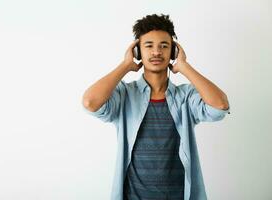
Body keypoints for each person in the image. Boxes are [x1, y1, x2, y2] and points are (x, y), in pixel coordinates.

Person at [82, 13, 230, 200]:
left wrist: (184, 66)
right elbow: (90, 102)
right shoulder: (125, 94)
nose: (156, 52)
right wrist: (125, 65)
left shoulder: (185, 96)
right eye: (149, 46)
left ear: (173, 52)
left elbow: (220, 106)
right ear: (137, 51)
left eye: (164, 46)